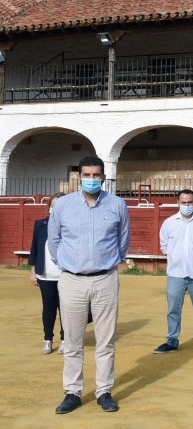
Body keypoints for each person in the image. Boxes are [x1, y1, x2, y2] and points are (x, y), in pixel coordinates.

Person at [48, 155, 130, 414]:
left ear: (103, 177)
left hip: (106, 277)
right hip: (72, 279)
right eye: (87, 175)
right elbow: (54, 240)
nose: (91, 180)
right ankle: (72, 391)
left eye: (96, 176)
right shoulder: (63, 206)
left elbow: (123, 240)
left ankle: (104, 390)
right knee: (72, 340)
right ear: (78, 177)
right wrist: (67, 263)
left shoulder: (117, 205)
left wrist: (110, 263)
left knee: (106, 340)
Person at [154, 189, 193, 355]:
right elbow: (165, 246)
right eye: (184, 202)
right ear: (178, 203)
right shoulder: (169, 223)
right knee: (173, 309)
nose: (187, 205)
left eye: (190, 202)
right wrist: (176, 258)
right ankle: (172, 340)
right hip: (175, 273)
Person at [28, 192, 66, 355]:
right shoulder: (40, 224)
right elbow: (35, 248)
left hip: (65, 275)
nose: (55, 208)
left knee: (65, 309)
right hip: (45, 274)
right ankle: (48, 339)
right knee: (48, 308)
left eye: (59, 205)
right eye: (53, 205)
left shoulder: (70, 225)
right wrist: (33, 271)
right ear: (49, 208)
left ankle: (65, 340)